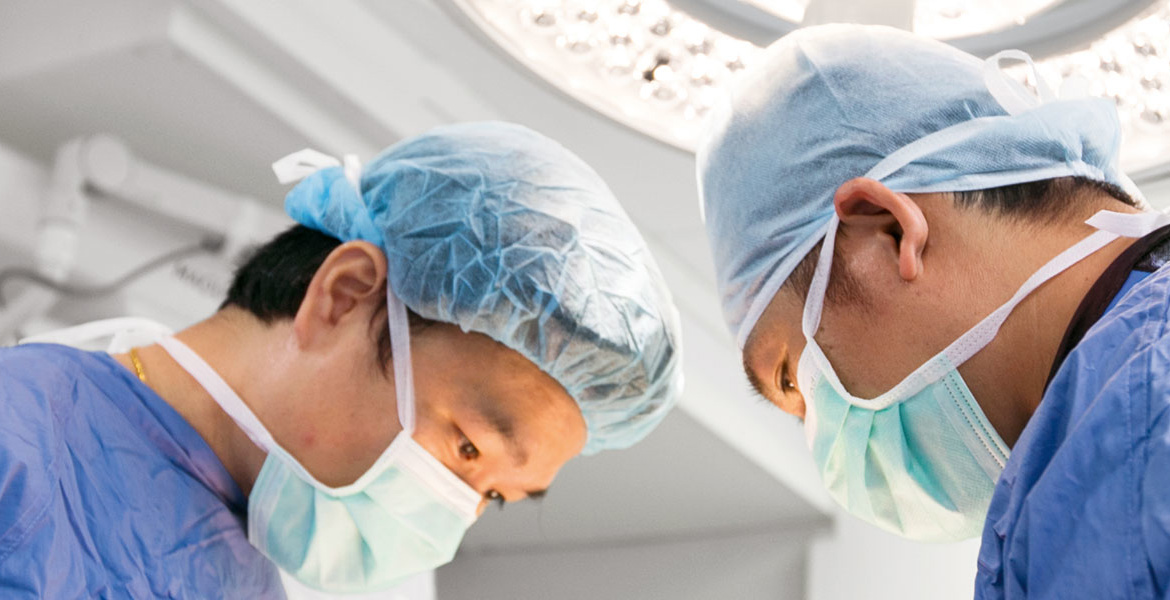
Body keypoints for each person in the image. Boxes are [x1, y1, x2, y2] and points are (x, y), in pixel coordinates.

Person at [0, 121, 683, 598]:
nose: (452, 518)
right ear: (343, 295)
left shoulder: (241, 576)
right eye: (467, 450)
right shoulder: (21, 436)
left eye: (495, 497)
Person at [698, 23, 1170, 598]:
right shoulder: (1065, 489)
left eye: (791, 376)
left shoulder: (1137, 421)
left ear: (889, 232)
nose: (820, 442)